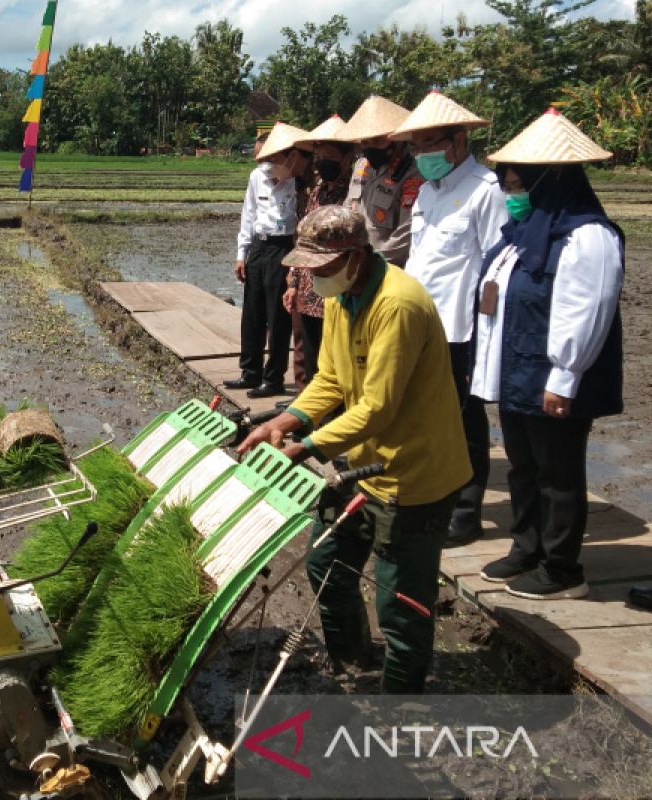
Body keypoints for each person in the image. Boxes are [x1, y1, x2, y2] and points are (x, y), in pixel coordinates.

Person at [238, 205, 470, 692]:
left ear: (355, 256)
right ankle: (352, 661)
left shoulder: (397, 305)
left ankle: (401, 699)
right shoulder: (342, 298)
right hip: (362, 465)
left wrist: (304, 447)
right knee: (327, 567)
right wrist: (285, 420)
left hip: (413, 475)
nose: (313, 277)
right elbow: (329, 380)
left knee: (400, 599)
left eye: (321, 267)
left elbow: (379, 407)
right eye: (308, 268)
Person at [471, 108, 624, 600]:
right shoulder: (521, 235)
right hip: (518, 372)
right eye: (508, 184)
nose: (512, 194)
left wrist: (564, 375)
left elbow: (588, 310)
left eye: (520, 184)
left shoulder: (587, 236)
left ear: (550, 180)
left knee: (558, 472)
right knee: (522, 465)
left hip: (555, 377)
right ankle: (527, 547)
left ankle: (562, 569)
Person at [389, 90, 509, 547]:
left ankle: (466, 510)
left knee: (464, 416)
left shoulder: (485, 191)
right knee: (424, 412)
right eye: (415, 147)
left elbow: (498, 263)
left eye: (430, 144)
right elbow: (420, 258)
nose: (422, 155)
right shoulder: (427, 194)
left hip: (462, 325)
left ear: (458, 141)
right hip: (421, 320)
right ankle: (433, 494)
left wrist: (488, 330)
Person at [224, 122, 312, 398]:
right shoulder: (256, 177)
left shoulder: (301, 183)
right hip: (259, 248)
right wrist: (242, 254)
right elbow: (248, 215)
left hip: (284, 247)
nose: (265, 164)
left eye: (270, 158)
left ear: (286, 156)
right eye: (260, 159)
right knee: (252, 313)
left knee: (278, 317)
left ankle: (273, 379)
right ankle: (250, 373)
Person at [286, 115, 354, 388]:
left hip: (335, 286)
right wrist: (293, 279)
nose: (321, 161)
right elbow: (302, 237)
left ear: (347, 157)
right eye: (318, 155)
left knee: (333, 354)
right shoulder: (316, 192)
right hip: (307, 285)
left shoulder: (353, 193)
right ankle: (302, 408)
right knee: (305, 350)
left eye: (329, 155)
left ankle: (327, 413)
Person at [337, 95, 422, 268]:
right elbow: (348, 209)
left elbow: (407, 233)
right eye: (365, 142)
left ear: (397, 139)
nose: (370, 147)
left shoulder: (413, 173)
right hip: (354, 263)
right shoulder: (362, 166)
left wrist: (373, 263)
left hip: (386, 269)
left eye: (378, 141)